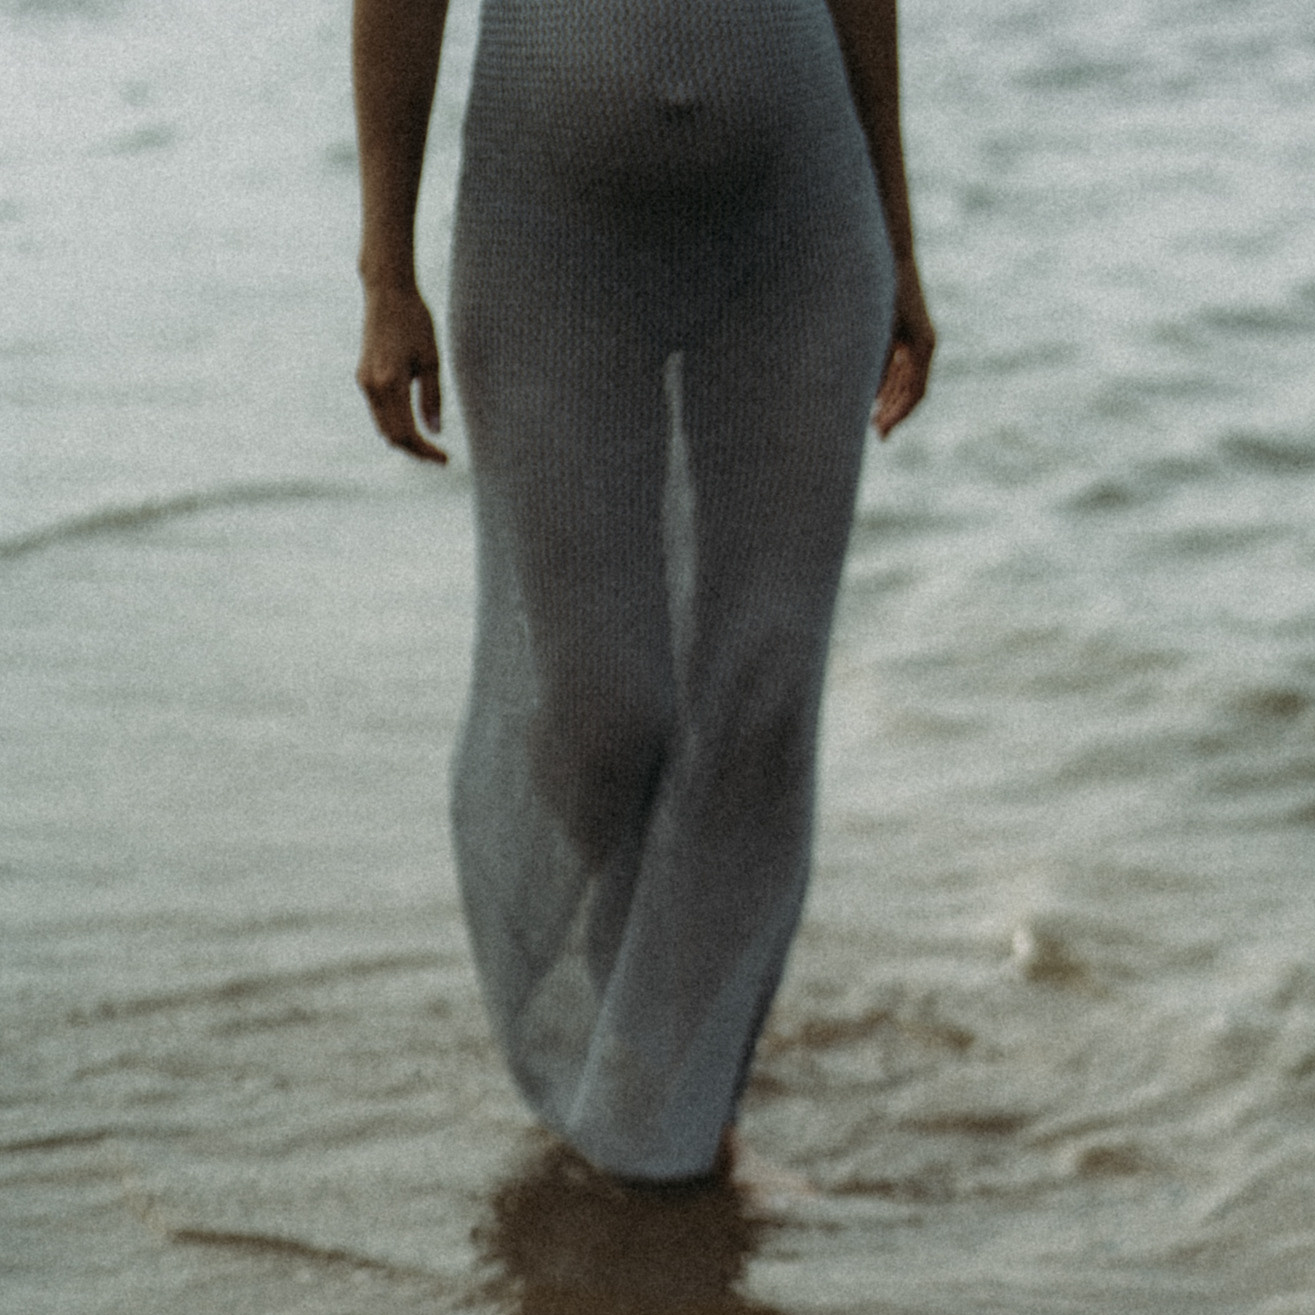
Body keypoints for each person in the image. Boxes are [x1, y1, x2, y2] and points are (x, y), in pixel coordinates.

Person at [351, 0, 934, 1183]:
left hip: (799, 221)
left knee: (759, 701)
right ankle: (613, 1043)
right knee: (601, 710)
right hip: (547, 222)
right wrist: (385, 271)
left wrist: (902, 243)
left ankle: (664, 1110)